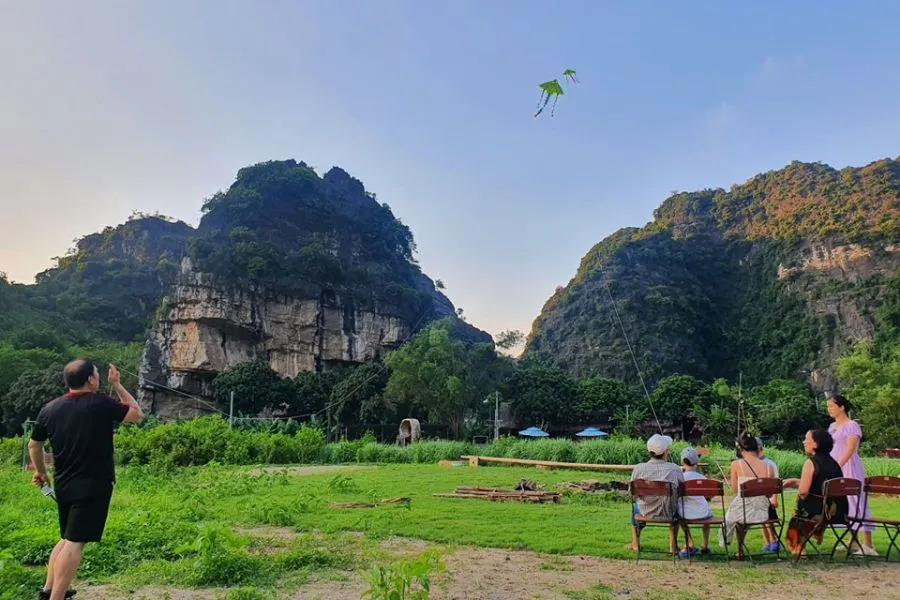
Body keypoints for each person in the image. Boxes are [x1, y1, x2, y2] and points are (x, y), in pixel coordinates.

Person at [28, 361, 143, 600]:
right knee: (75, 544)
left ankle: (48, 591)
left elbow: (34, 444)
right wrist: (117, 384)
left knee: (66, 539)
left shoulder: (50, 408)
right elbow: (136, 414)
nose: (99, 378)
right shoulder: (100, 402)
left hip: (64, 484)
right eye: (97, 375)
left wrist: (41, 471)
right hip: (93, 485)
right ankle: (57, 598)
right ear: (91, 380)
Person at [783, 429, 848, 556]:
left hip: (819, 512)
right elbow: (822, 484)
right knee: (807, 506)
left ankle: (799, 548)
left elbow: (803, 492)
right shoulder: (835, 464)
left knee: (799, 513)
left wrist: (799, 487)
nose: (804, 442)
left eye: (807, 439)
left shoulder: (811, 463)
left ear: (816, 444)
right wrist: (796, 481)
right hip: (838, 512)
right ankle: (802, 546)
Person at [827, 394, 878, 556]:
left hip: (849, 467)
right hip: (836, 465)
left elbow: (850, 449)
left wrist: (838, 466)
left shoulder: (852, 426)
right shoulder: (832, 427)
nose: (829, 409)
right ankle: (853, 540)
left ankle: (868, 544)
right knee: (845, 503)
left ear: (841, 407)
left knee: (857, 502)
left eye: (832, 406)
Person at [719, 434, 775, 558]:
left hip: (743, 510)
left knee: (734, 518)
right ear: (757, 448)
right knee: (742, 518)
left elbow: (734, 490)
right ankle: (740, 549)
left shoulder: (736, 464)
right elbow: (770, 493)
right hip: (762, 513)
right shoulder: (769, 467)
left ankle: (738, 548)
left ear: (741, 449)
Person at [629, 433, 684, 553]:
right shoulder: (675, 469)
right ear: (665, 452)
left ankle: (635, 543)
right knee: (678, 509)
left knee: (634, 508)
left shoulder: (638, 468)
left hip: (645, 512)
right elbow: (681, 492)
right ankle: (672, 546)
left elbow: (632, 494)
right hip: (669, 512)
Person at [676, 446, 713, 557]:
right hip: (703, 513)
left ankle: (690, 542)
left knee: (680, 517)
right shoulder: (702, 478)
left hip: (685, 514)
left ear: (682, 461)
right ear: (696, 462)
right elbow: (708, 496)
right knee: (708, 516)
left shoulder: (680, 478)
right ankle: (705, 545)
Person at [756, 436, 780, 552]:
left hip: (768, 498)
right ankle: (767, 541)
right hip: (757, 498)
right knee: (762, 519)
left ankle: (773, 539)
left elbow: (776, 482)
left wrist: (775, 498)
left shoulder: (769, 464)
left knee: (766, 517)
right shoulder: (751, 464)